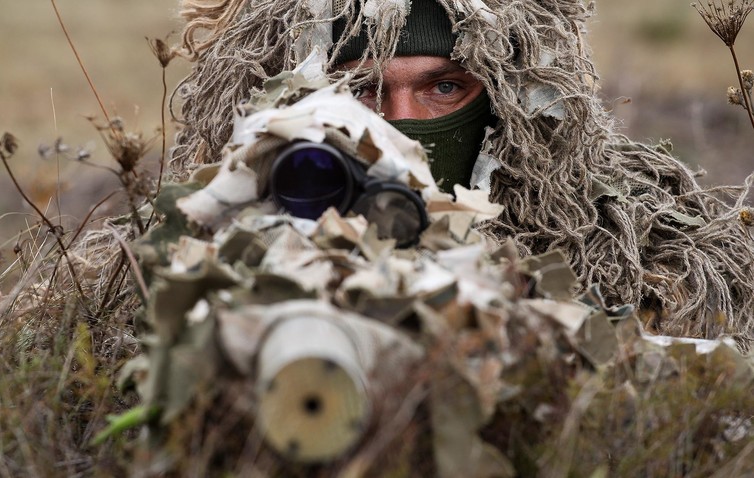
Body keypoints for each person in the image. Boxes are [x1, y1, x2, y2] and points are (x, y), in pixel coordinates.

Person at [169, 0, 754, 341]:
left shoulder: (649, 262)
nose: (399, 131)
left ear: (512, 104)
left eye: (444, 88)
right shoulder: (210, 260)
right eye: (360, 91)